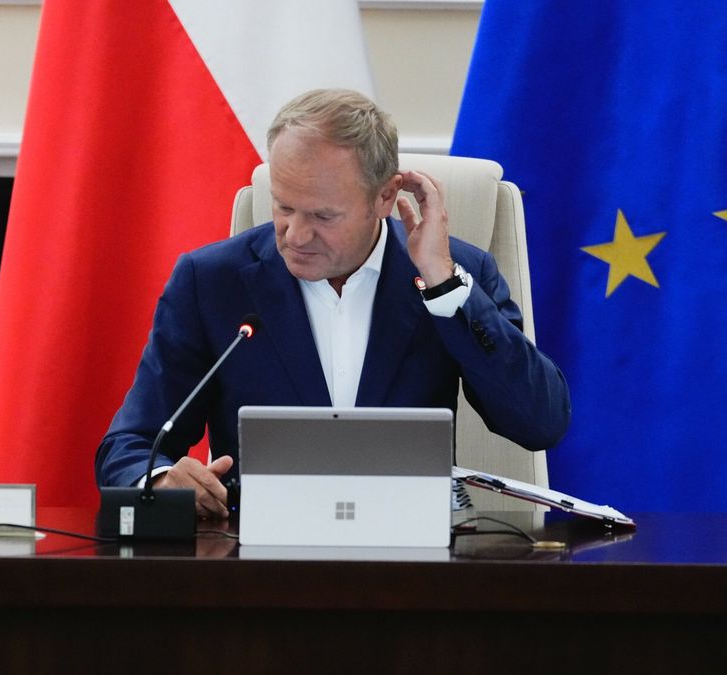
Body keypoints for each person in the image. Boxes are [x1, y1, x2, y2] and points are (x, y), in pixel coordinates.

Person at [96, 89, 570, 518]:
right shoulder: (211, 282)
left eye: (323, 215)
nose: (296, 236)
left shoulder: (454, 274)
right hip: (257, 567)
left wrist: (444, 287)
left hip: (415, 567)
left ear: (385, 197)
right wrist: (161, 479)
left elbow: (539, 423)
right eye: (284, 206)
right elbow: (130, 446)